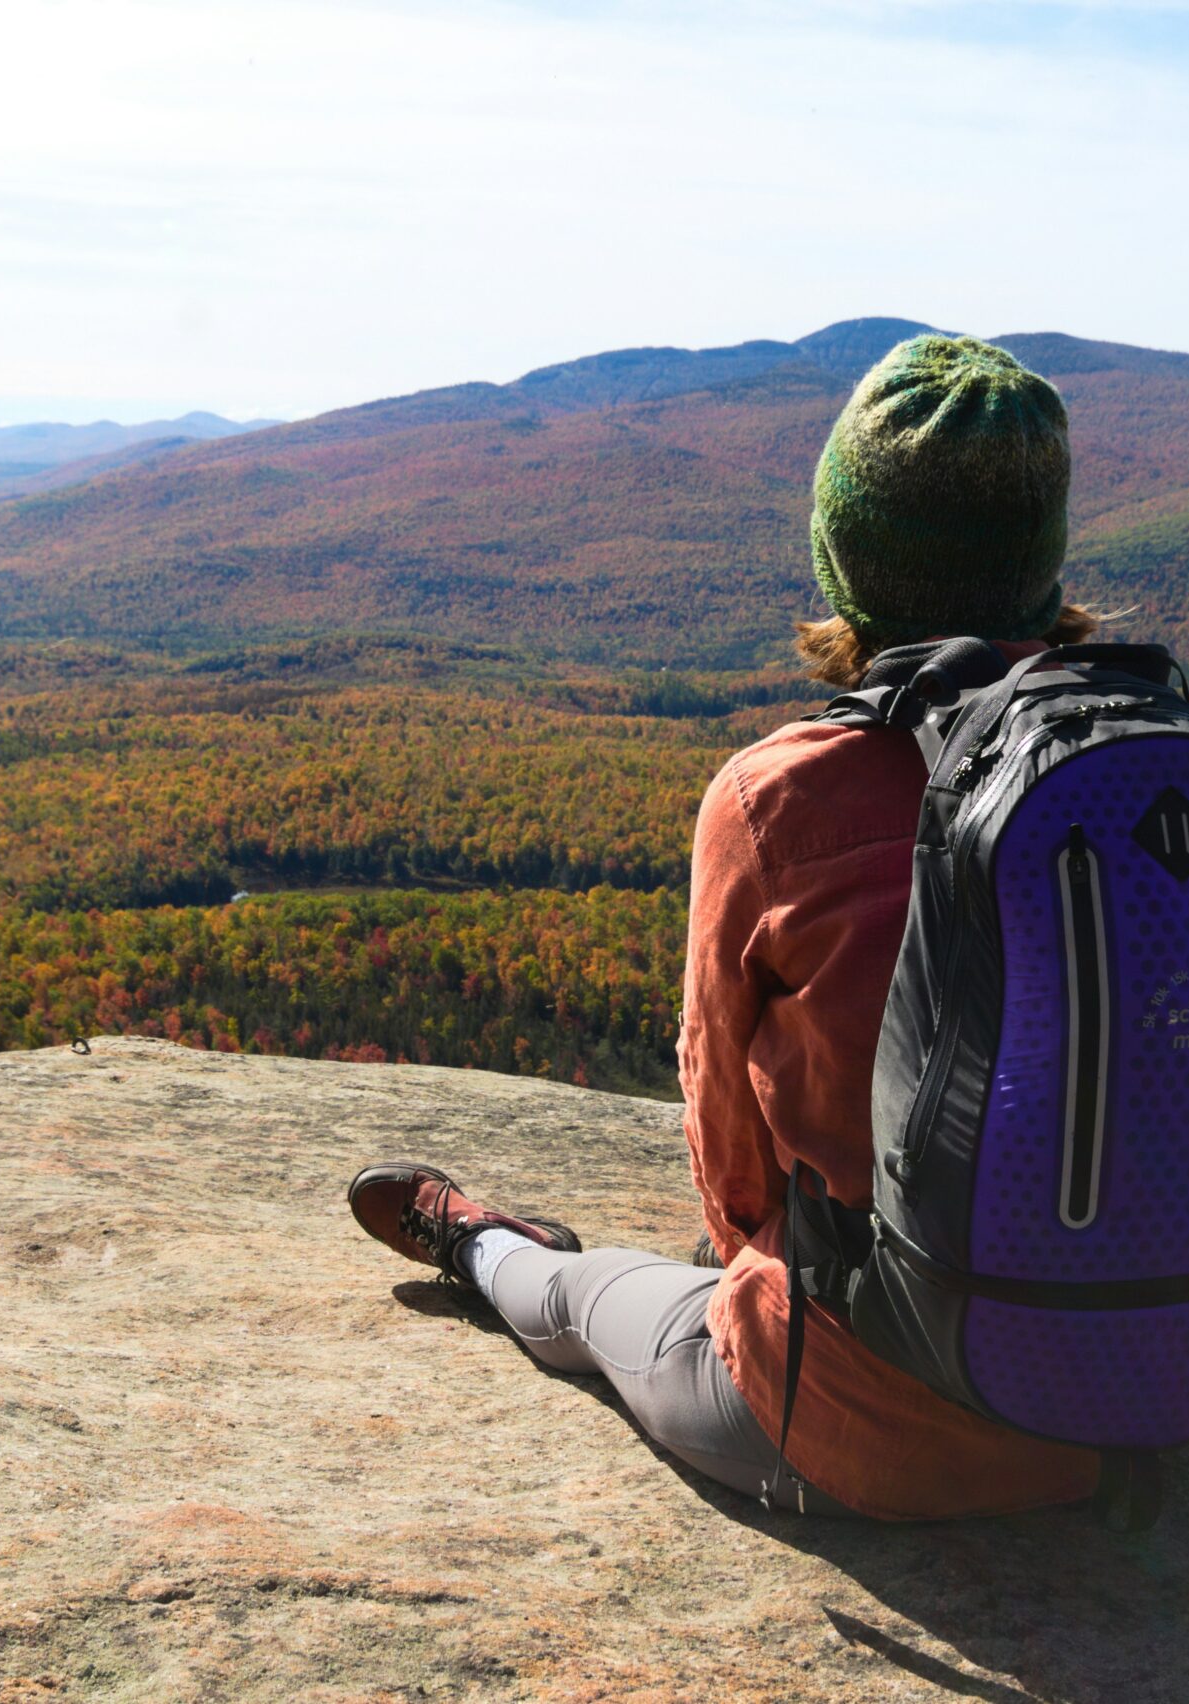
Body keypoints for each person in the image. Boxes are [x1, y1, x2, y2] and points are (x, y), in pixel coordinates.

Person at [347, 335, 1106, 1519]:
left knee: (584, 1305)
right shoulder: (1156, 774)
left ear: (846, 556)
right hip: (1146, 1402)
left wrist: (753, 1258)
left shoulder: (779, 797)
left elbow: (726, 1133)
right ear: (1040, 554)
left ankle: (482, 1246)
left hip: (876, 1424)